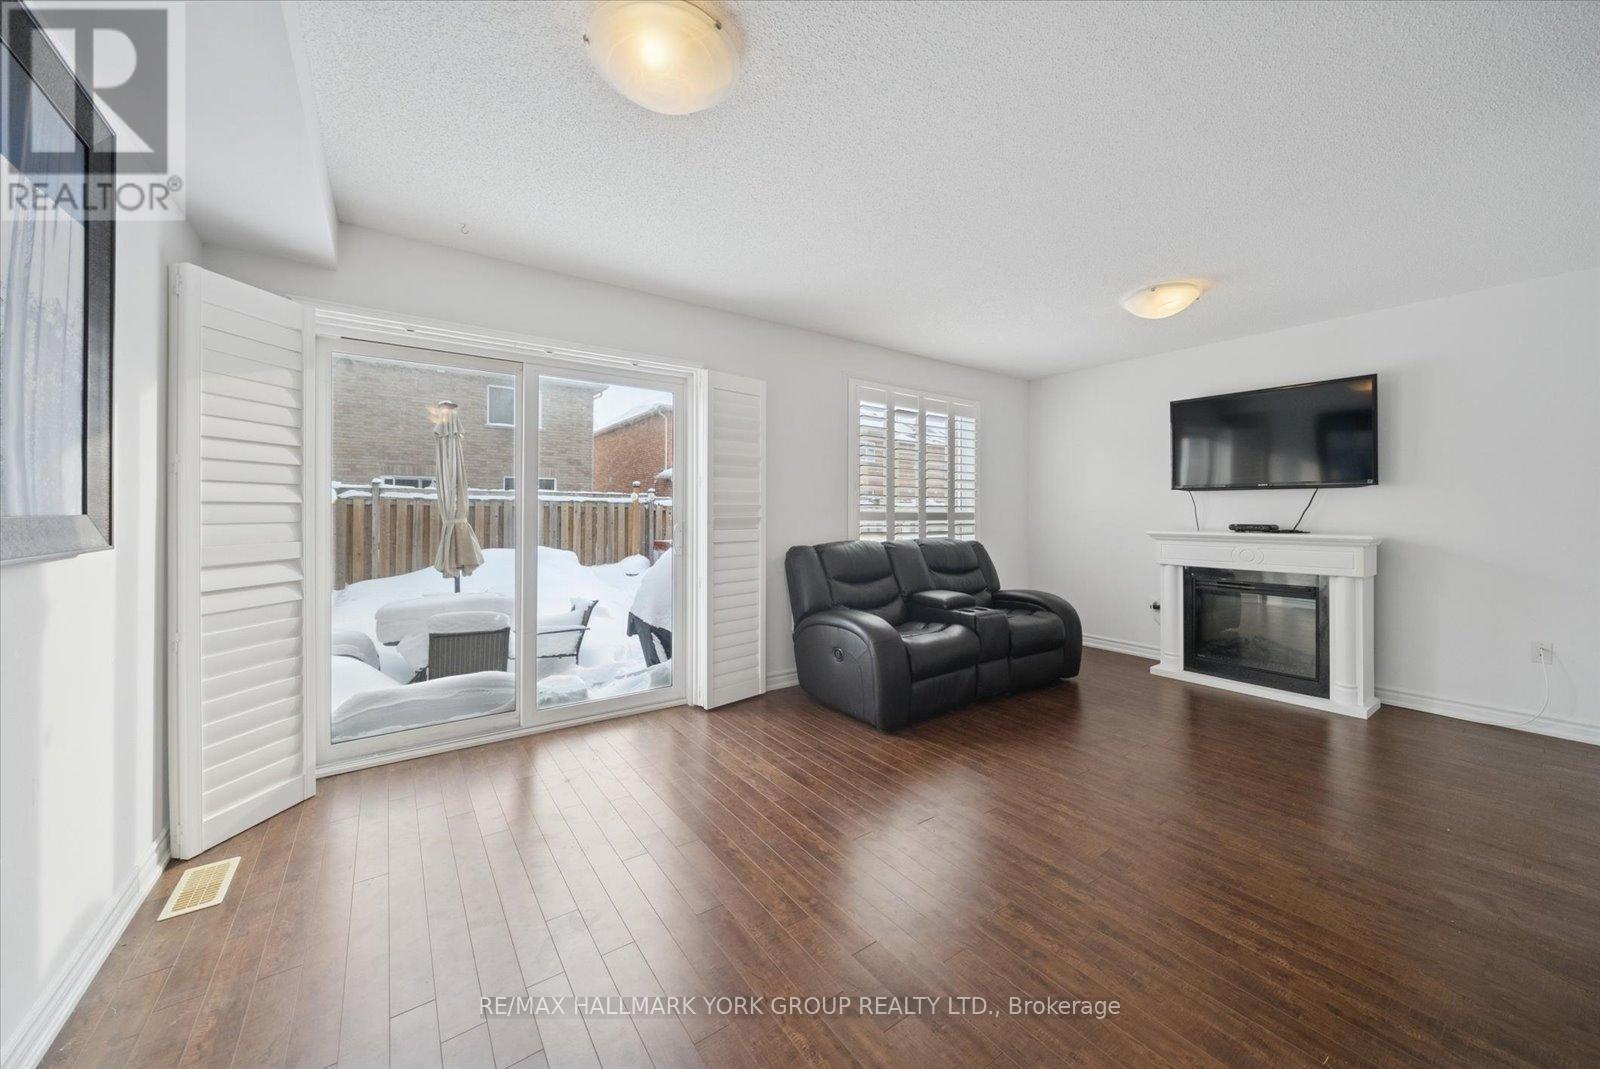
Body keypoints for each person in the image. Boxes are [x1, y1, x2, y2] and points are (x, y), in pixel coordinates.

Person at [626, 547, 673, 666]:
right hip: (654, 615)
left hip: (647, 611)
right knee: (662, 674)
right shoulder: (694, 550)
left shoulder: (679, 551)